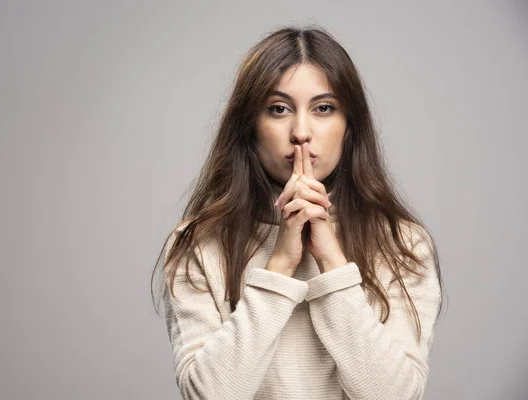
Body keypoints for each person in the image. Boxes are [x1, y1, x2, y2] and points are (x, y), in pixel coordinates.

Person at [151, 24, 445, 400]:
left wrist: (332, 261)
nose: (301, 132)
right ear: (250, 129)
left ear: (349, 127)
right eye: (278, 109)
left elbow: (395, 395)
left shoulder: (401, 243)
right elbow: (209, 395)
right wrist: (280, 267)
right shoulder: (199, 243)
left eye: (324, 108)